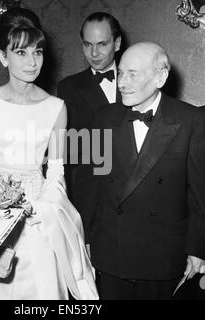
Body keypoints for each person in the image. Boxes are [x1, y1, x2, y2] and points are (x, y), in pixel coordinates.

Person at [0, 7, 98, 300]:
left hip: (37, 216)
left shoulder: (56, 108)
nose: (32, 62)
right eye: (21, 53)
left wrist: (39, 208)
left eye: (37, 52)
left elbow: (55, 172)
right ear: (3, 56)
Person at [85, 41, 205, 299]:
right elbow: (91, 186)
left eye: (133, 74)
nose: (122, 83)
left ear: (160, 77)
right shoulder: (101, 118)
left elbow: (201, 195)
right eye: (120, 73)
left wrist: (198, 249)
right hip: (111, 253)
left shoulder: (192, 121)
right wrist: (85, 238)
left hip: (163, 255)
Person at [57, 12, 122, 219]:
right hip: (91, 196)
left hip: (136, 192)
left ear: (117, 43)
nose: (94, 53)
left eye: (102, 44)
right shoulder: (69, 87)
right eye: (87, 45)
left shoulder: (139, 81)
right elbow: (69, 148)